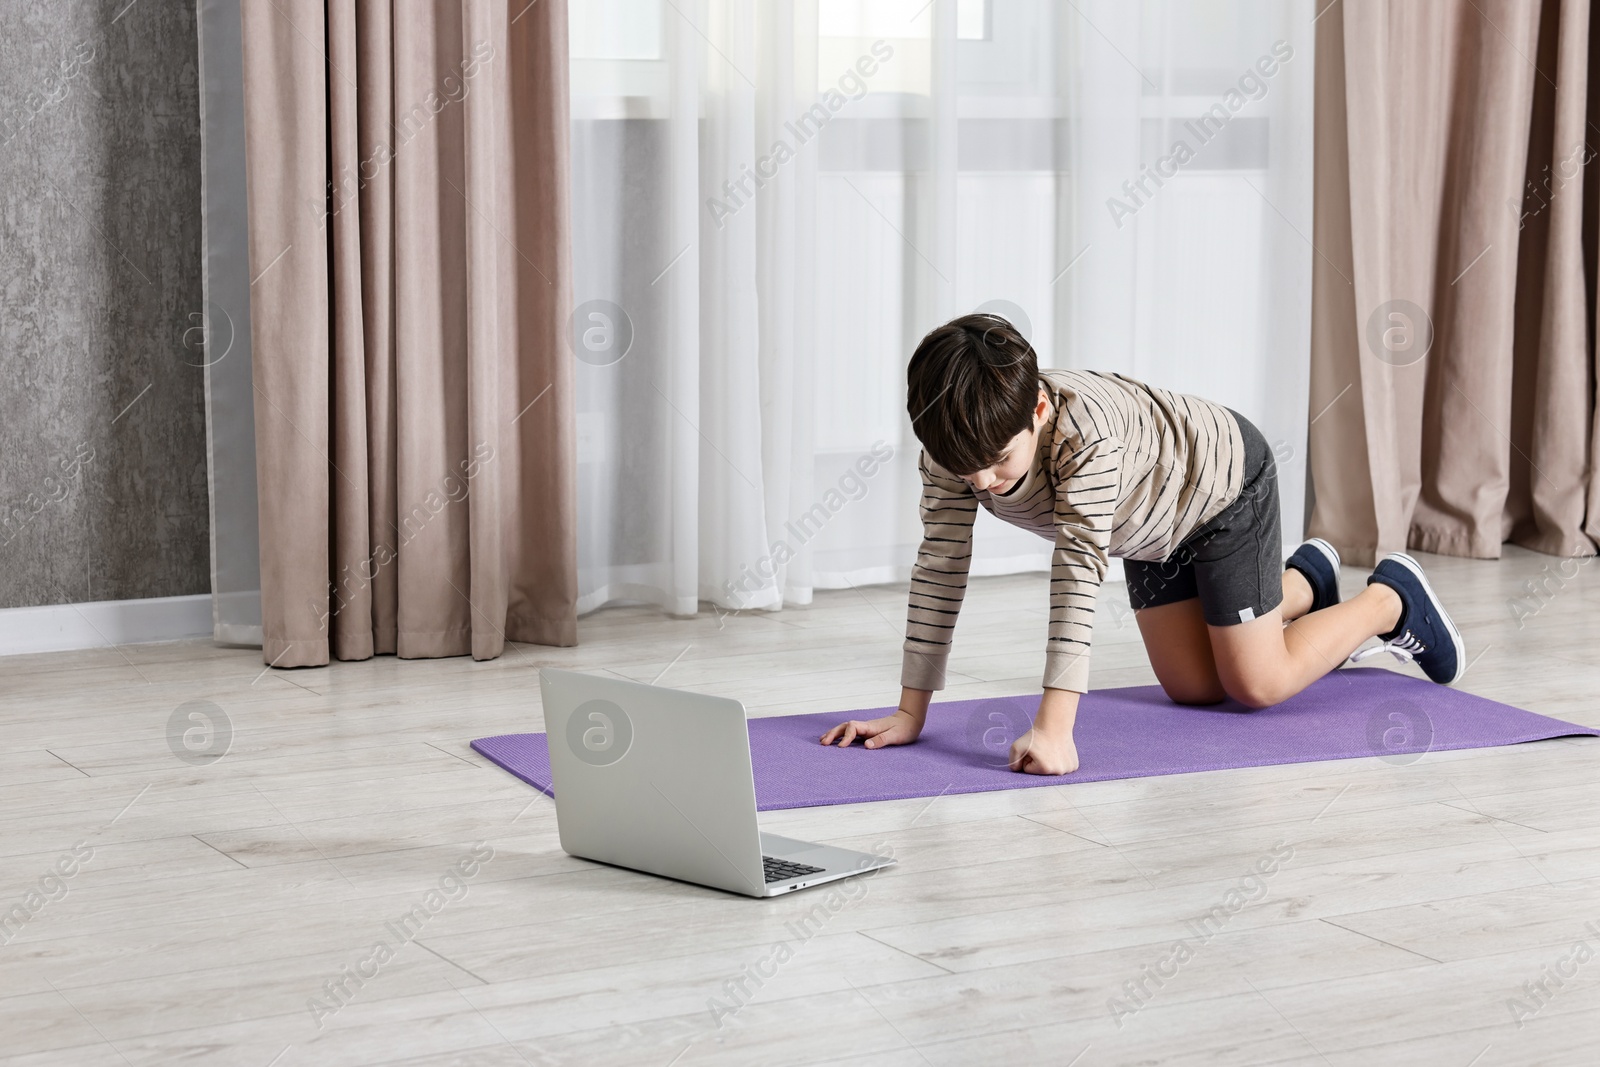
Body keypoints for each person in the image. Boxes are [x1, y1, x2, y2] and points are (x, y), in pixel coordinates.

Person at [820, 314, 1465, 775]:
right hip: (1150, 534)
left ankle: (1391, 599)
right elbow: (940, 568)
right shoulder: (956, 447)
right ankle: (1300, 588)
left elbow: (1076, 576)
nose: (980, 483)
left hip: (1220, 491)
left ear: (1038, 411)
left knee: (1255, 685)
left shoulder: (1087, 439)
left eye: (997, 461)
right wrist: (911, 715)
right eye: (963, 468)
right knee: (1193, 689)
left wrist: (1055, 731)